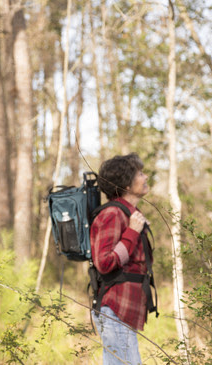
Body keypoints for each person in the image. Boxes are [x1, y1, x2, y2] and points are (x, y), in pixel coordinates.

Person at [90, 153, 157, 365]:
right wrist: (132, 233)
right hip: (115, 309)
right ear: (126, 184)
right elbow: (104, 262)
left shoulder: (129, 213)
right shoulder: (112, 214)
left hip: (123, 310)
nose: (145, 176)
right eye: (139, 173)